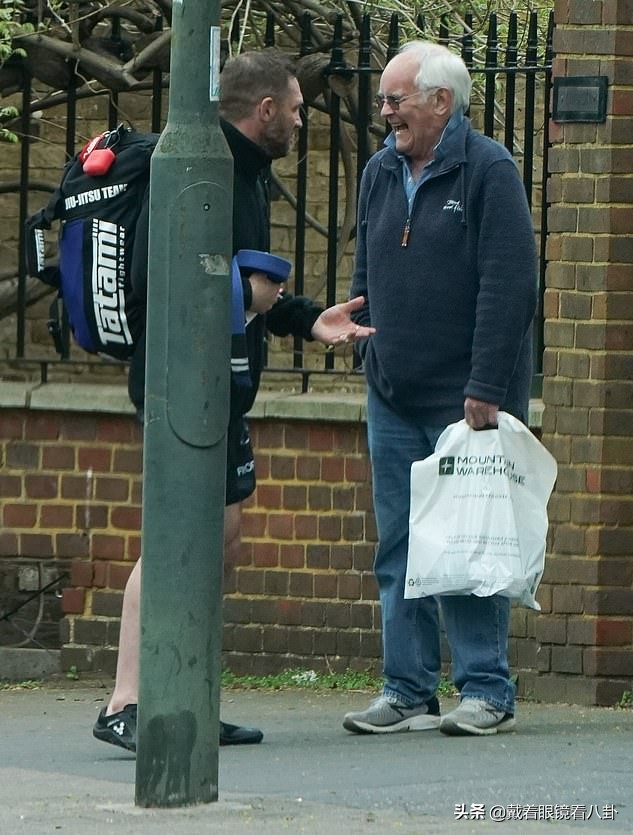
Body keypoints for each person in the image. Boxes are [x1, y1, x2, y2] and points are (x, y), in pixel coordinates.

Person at [93, 49, 374, 753]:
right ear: (266, 110)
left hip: (223, 380)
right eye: (299, 108)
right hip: (180, 380)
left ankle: (181, 686)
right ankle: (127, 700)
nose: (306, 121)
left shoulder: (246, 174)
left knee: (217, 539)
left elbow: (248, 281)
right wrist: (234, 298)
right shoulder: (195, 166)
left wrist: (304, 316)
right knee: (174, 537)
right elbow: (164, 281)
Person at [343, 41, 537, 737]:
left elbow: (510, 283)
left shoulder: (487, 169)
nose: (385, 112)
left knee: (465, 546)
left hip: (466, 400)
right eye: (385, 100)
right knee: (397, 543)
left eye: (395, 99)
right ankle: (406, 686)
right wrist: (361, 336)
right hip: (392, 390)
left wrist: (486, 385)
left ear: (440, 102)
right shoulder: (379, 170)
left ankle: (486, 688)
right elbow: (367, 270)